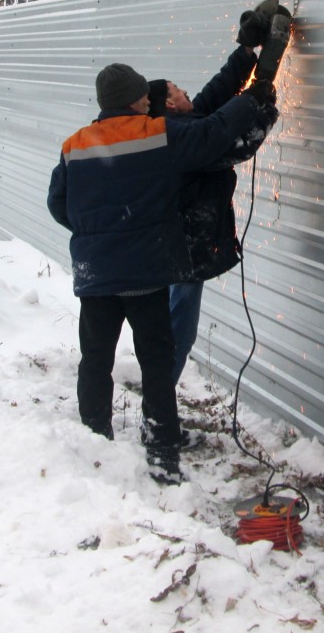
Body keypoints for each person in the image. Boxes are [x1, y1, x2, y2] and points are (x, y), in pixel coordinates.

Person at [46, 58, 275, 485]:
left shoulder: (75, 143)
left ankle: (94, 436)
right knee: (155, 362)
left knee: (95, 358)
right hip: (142, 273)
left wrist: (97, 233)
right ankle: (162, 452)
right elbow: (213, 133)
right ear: (138, 99)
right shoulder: (153, 134)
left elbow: (58, 204)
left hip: (94, 274)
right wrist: (255, 96)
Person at [146, 47, 279, 391]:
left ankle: (156, 404)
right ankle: (157, 416)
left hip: (173, 247)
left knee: (172, 329)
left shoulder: (176, 126)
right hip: (184, 252)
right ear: (170, 104)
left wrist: (246, 52)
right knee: (179, 334)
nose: (186, 91)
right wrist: (261, 106)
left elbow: (213, 98)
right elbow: (235, 143)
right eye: (178, 90)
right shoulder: (184, 141)